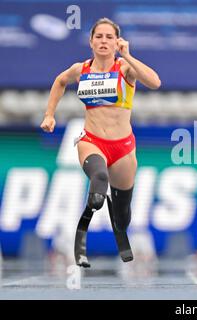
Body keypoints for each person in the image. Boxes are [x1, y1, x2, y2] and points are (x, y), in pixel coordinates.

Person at [40, 18, 161, 261]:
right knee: (99, 181)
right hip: (92, 140)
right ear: (91, 41)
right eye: (99, 37)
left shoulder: (125, 68)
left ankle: (120, 229)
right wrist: (49, 114)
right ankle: (81, 231)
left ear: (117, 42)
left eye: (109, 37)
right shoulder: (80, 69)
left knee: (122, 214)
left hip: (123, 147)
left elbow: (155, 82)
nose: (103, 41)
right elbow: (59, 81)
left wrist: (128, 55)